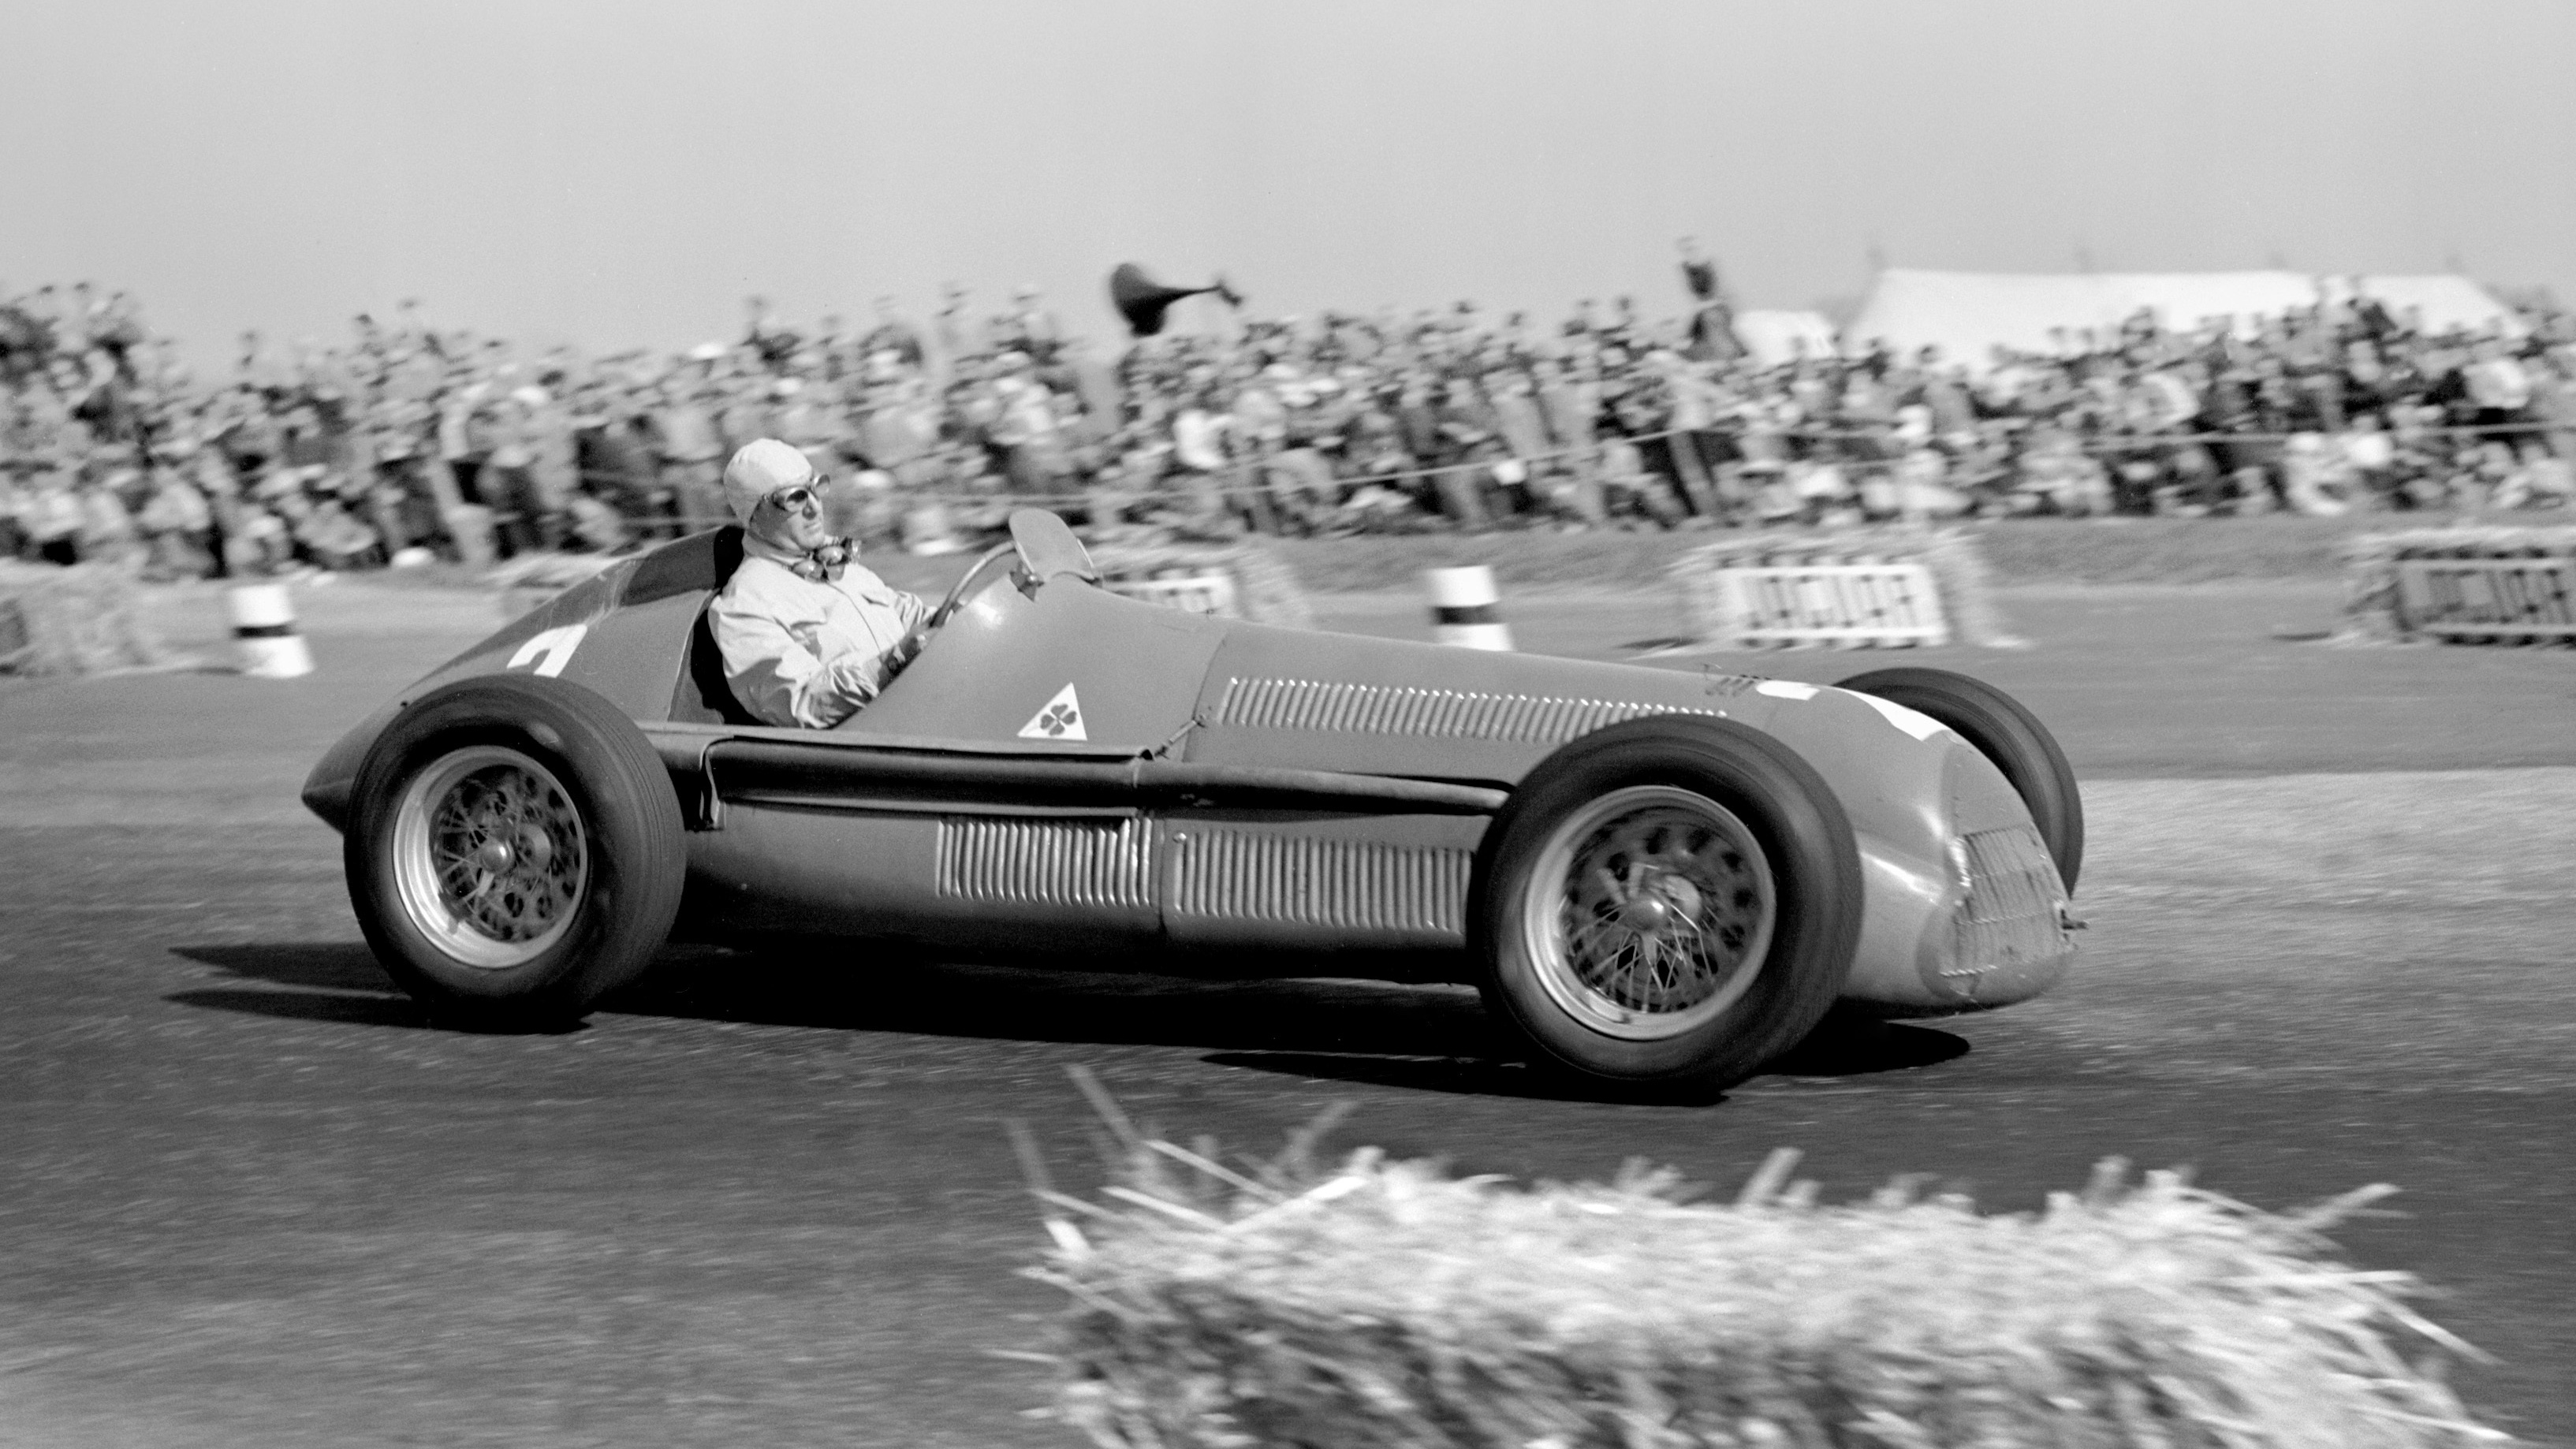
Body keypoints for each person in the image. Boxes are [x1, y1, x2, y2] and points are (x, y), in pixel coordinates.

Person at [707, 439, 930, 729]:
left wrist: (960, 615)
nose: (815, 507)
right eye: (795, 498)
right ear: (755, 516)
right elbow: (801, 702)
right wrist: (892, 663)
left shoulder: (834, 558)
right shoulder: (744, 604)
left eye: (816, 488)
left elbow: (904, 611)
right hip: (871, 746)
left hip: (923, 706)